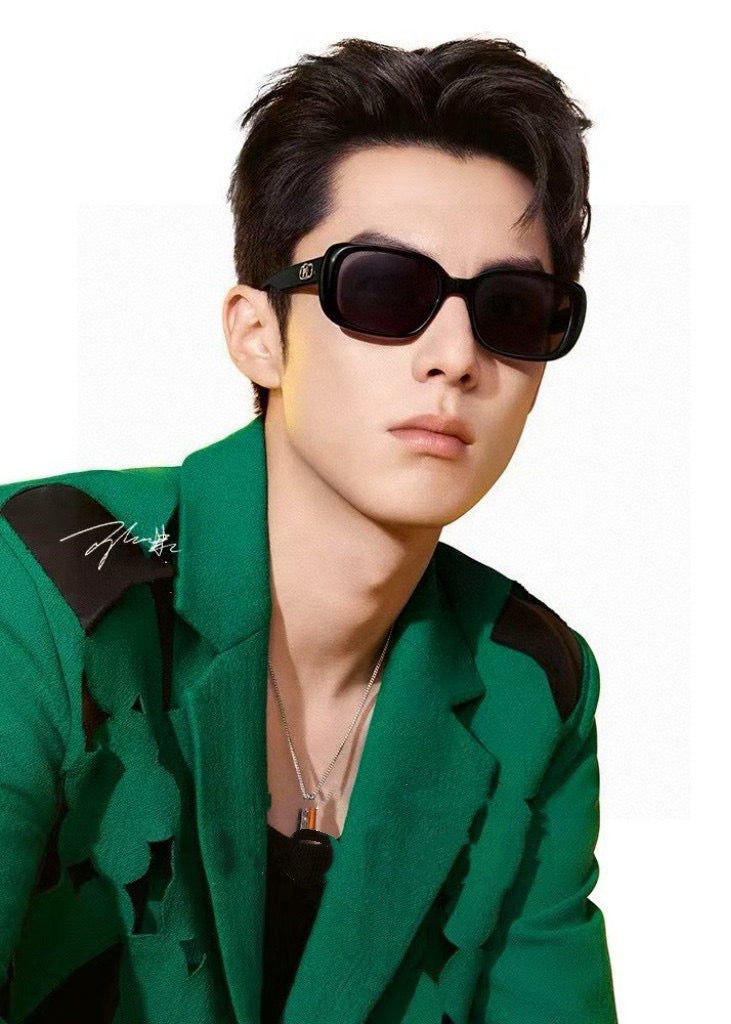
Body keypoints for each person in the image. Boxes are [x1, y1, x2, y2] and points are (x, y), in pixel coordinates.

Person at [0, 36, 618, 1024]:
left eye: (511, 308)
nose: (456, 356)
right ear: (258, 335)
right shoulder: (39, 577)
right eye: (384, 289)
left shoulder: (531, 679)